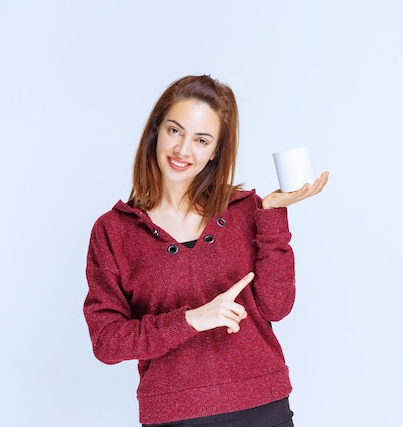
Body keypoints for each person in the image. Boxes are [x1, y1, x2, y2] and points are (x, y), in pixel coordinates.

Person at [83, 75, 328, 426]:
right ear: (156, 131)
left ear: (215, 151)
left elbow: (277, 306)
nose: (184, 150)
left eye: (201, 140)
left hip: (264, 406)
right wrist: (189, 320)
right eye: (175, 131)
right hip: (175, 416)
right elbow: (107, 342)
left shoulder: (247, 211)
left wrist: (272, 216)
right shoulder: (115, 230)